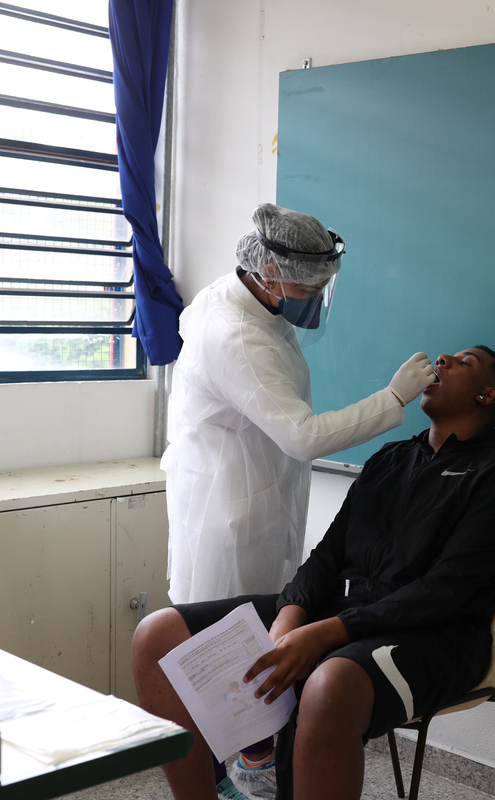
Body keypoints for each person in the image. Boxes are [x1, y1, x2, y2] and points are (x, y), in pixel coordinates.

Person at [133, 345, 495, 800]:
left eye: (464, 363)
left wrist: (326, 633)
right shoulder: (391, 459)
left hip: (437, 634)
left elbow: (442, 592)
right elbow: (329, 553)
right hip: (345, 612)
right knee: (156, 636)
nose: (442, 361)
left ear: (487, 396)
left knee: (329, 684)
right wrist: (291, 613)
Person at [162, 203, 436, 606]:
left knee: (255, 621)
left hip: (254, 487)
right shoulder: (237, 338)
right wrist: (392, 398)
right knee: (227, 628)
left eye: (322, 287)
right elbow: (303, 437)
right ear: (270, 273)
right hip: (231, 511)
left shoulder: (253, 298)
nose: (316, 298)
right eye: (308, 290)